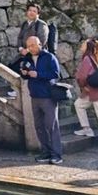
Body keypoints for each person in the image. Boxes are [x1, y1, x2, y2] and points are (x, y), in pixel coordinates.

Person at [20, 36, 63, 165]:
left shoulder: (49, 57)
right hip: (34, 95)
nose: (31, 48)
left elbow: (55, 74)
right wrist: (24, 73)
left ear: (40, 44)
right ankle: (46, 152)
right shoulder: (27, 58)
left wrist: (38, 74)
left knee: (52, 126)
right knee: (39, 126)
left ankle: (57, 155)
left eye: (33, 45)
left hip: (48, 96)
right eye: (29, 46)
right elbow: (24, 74)